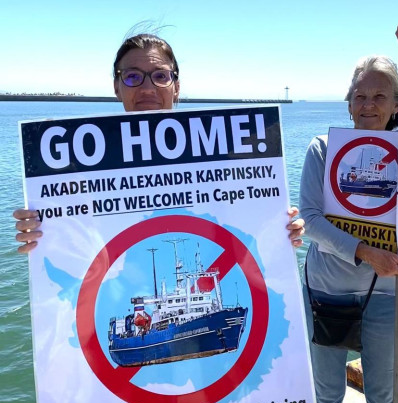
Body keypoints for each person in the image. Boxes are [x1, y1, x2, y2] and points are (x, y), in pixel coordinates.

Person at [13, 32, 304, 252]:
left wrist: (279, 229)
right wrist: (39, 232)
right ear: (117, 87)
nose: (148, 88)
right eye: (133, 77)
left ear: (176, 87)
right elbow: (75, 241)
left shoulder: (224, 152)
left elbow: (244, 227)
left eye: (160, 76)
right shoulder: (75, 164)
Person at [299, 53, 398, 403]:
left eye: (381, 95)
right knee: (326, 397)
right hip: (325, 292)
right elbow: (310, 220)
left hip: (386, 296)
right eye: (360, 95)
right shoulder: (321, 149)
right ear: (348, 103)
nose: (369, 104)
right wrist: (367, 252)